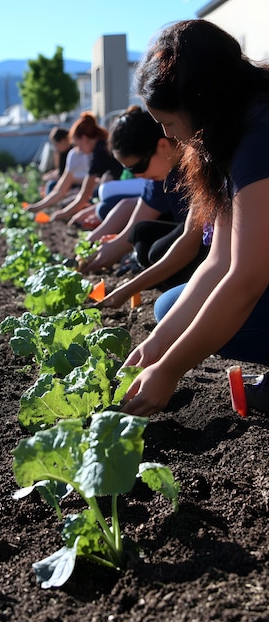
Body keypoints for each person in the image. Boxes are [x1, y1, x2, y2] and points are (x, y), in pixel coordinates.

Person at [120, 19, 269, 417]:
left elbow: (247, 277)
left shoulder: (259, 134)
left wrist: (169, 371)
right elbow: (218, 261)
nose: (170, 135)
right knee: (170, 309)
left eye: (168, 123)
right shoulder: (231, 131)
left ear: (202, 102)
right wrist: (155, 347)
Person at [81, 105, 207, 276]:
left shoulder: (198, 166)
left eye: (139, 166)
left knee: (154, 253)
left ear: (162, 145)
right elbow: (134, 223)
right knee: (142, 236)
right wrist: (95, 248)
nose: (138, 175)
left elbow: (191, 240)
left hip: (209, 248)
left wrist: (128, 289)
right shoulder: (160, 175)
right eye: (131, 170)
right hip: (192, 240)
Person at [49, 111, 124, 222]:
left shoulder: (100, 153)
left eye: (77, 144)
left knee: (102, 201)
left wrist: (62, 215)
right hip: (124, 186)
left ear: (84, 138)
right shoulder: (102, 146)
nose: (78, 149)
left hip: (126, 187)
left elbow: (84, 196)